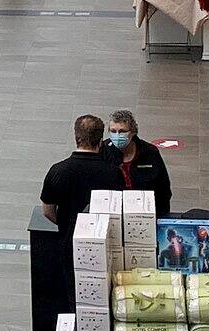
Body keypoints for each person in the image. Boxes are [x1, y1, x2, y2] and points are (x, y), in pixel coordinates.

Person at [41, 115, 122, 301]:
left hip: (70, 244)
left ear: (76, 137)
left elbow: (47, 210)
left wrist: (65, 222)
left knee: (75, 297)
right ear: (100, 141)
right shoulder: (112, 173)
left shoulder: (58, 171)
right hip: (104, 245)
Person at [102, 110, 172, 216]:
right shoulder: (103, 151)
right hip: (114, 213)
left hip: (145, 212)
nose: (117, 135)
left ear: (133, 132)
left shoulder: (150, 152)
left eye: (122, 131)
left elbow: (163, 188)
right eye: (113, 131)